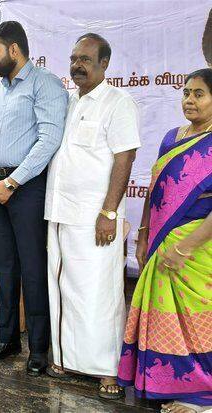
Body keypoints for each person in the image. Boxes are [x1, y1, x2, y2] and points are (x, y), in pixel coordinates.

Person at [44, 34, 140, 398]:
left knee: (99, 292)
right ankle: (67, 359)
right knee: (64, 289)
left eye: (85, 59)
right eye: (73, 59)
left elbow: (124, 158)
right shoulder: (69, 101)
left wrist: (109, 212)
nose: (77, 65)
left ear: (104, 64)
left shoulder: (118, 102)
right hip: (60, 213)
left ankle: (107, 369)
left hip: (95, 216)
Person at [118, 68, 212, 413]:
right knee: (166, 316)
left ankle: (202, 395)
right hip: (161, 241)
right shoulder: (172, 137)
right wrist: (143, 235)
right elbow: (155, 191)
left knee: (196, 318)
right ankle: (168, 384)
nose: (189, 100)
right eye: (186, 92)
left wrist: (186, 247)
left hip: (197, 246)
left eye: (199, 94)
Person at [0, 22, 68, 376]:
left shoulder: (45, 84)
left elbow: (49, 140)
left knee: (32, 268)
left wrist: (12, 182)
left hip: (26, 186)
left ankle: (39, 348)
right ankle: (7, 339)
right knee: (5, 268)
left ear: (14, 50)